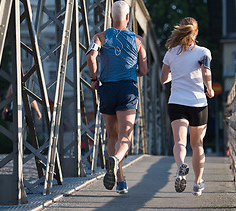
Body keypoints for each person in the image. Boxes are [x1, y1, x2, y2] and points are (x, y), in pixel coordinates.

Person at [86, 1, 147, 194]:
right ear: (128, 18)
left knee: (112, 136)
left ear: (111, 17)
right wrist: (128, 70)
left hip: (107, 90)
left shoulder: (100, 37)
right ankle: (116, 160)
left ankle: (121, 181)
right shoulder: (138, 40)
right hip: (127, 90)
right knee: (125, 136)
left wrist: (94, 79)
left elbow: (90, 57)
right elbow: (144, 70)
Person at [159, 17, 214, 196]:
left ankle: (181, 165)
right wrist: (210, 89)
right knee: (197, 144)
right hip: (198, 103)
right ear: (196, 32)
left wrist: (176, 75)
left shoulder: (171, 53)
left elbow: (163, 79)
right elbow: (206, 72)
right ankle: (198, 184)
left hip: (176, 102)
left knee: (179, 142)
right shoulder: (203, 52)